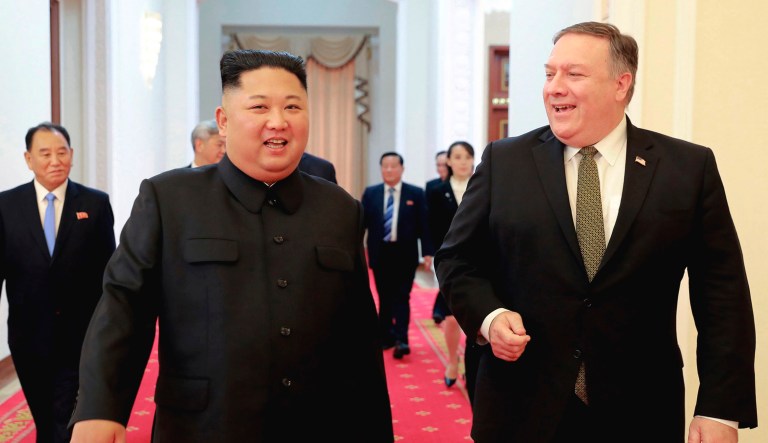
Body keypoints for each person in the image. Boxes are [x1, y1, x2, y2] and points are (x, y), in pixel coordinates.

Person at [434, 21, 756, 443]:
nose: (554, 88)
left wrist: (720, 408)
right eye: (550, 74)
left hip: (640, 411)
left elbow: (723, 295)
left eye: (574, 74)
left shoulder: (687, 170)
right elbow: (457, 259)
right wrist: (490, 317)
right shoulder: (503, 162)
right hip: (521, 409)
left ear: (621, 84)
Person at [70, 49, 393, 442]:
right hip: (203, 427)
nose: (278, 121)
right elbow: (123, 308)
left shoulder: (341, 209)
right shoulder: (170, 199)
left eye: (293, 106)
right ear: (223, 121)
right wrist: (100, 410)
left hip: (318, 424)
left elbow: (359, 336)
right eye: (259, 107)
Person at [0, 122, 115, 443]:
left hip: (80, 335)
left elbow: (109, 272)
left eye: (61, 152)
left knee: (66, 415)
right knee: (43, 413)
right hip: (27, 335)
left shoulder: (94, 204)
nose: (55, 160)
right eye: (45, 153)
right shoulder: (6, 206)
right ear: (28, 159)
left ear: (72, 155)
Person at [362, 152, 434, 359]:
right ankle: (386, 336)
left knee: (402, 296)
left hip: (405, 253)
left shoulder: (416, 193)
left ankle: (402, 339)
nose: (390, 170)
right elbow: (362, 223)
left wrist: (428, 252)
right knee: (384, 298)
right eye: (385, 166)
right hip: (380, 252)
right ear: (381, 169)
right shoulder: (371, 193)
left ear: (402, 169)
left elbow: (424, 225)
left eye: (394, 166)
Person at [426, 141, 476, 391]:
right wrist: (432, 256)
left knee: (476, 314)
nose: (463, 161)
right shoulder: (437, 191)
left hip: (479, 261)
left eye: (467, 156)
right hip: (449, 261)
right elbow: (431, 226)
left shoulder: (482, 186)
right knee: (452, 317)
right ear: (448, 161)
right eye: (457, 156)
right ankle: (452, 361)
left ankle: (471, 362)